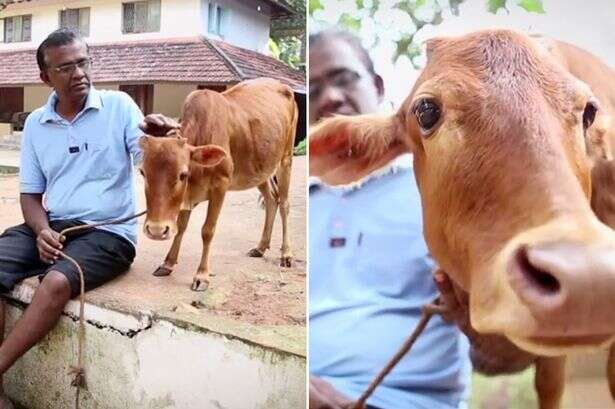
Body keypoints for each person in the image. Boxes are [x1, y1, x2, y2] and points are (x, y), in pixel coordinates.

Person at [0, 28, 178, 408]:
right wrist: (42, 229)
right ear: (46, 77)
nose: (78, 72)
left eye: (83, 62)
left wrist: (162, 141)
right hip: (55, 225)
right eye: (65, 67)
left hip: (110, 233)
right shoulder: (35, 124)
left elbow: (149, 160)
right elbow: (30, 194)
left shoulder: (120, 107)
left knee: (54, 284)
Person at [309, 29, 472, 409]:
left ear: (379, 87)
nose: (330, 97)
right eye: (313, 89)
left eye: (344, 79)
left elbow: (498, 353)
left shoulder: (439, 186)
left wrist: (472, 314)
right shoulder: (305, 197)